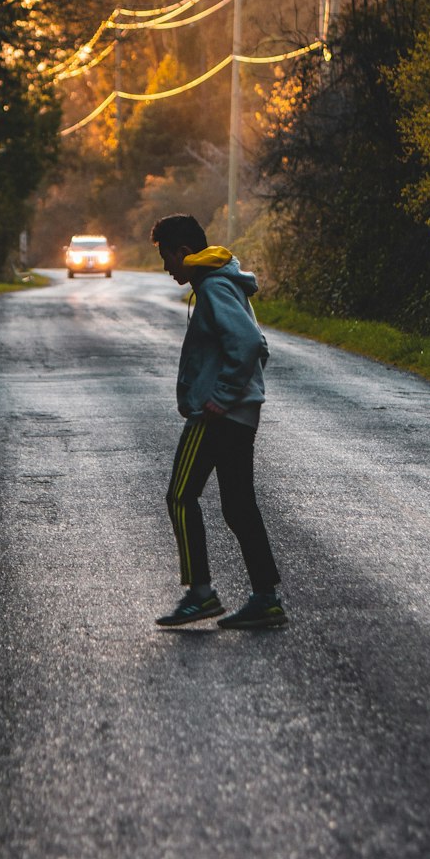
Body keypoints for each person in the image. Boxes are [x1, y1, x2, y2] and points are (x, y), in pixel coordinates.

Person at [151, 213, 286, 630]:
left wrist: (221, 396)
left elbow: (249, 344)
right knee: (238, 506)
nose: (166, 267)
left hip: (220, 415)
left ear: (183, 252)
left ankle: (201, 595)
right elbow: (255, 344)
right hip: (236, 414)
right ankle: (265, 598)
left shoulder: (212, 287)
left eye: (166, 258)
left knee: (180, 496)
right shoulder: (217, 283)